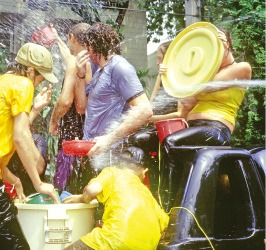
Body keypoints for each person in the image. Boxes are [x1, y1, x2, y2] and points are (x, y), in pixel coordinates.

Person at [158, 27, 252, 212]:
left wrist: (184, 79)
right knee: (143, 141)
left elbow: (207, 86)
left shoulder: (242, 68)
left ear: (227, 45)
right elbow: (186, 105)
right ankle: (161, 201)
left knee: (170, 143)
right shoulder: (204, 75)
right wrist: (168, 76)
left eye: (218, 45)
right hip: (193, 128)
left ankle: (167, 211)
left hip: (216, 129)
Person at [0, 42, 60, 249]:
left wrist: (15, 180)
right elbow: (20, 136)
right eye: (41, 78)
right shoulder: (23, 85)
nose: (39, 84)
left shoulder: (4, 82)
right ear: (31, 71)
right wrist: (38, 183)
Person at [62, 146, 169, 250]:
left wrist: (82, 199)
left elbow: (92, 190)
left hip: (115, 241)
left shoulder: (113, 172)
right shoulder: (146, 193)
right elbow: (164, 225)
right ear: (144, 171)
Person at [74, 22, 153, 159]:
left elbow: (145, 110)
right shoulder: (99, 71)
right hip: (94, 150)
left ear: (91, 46)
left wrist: (108, 139)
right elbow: (81, 108)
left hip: (112, 154)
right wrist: (80, 75)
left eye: (87, 47)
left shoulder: (119, 68)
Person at [49, 23, 98, 194]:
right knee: (81, 182)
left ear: (72, 38)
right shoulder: (90, 59)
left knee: (65, 184)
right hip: (86, 133)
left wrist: (53, 121)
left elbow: (65, 102)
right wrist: (56, 39)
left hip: (71, 134)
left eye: (68, 40)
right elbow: (68, 57)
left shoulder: (76, 63)